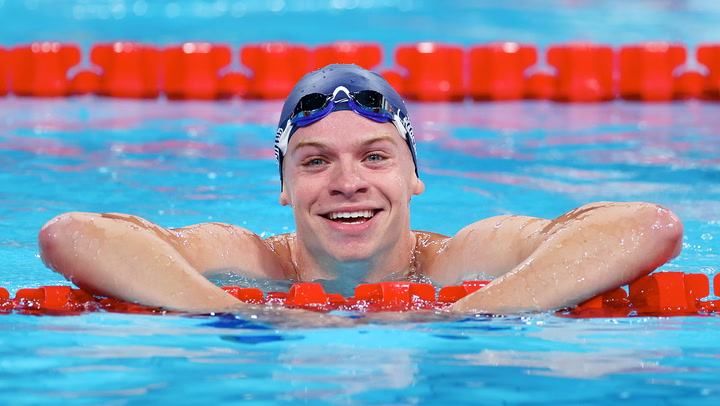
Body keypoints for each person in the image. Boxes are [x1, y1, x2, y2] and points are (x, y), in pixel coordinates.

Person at [37, 64, 684, 314]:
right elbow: (72, 236)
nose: (348, 184)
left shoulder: (457, 259)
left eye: (374, 156)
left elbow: (648, 227)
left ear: (413, 176)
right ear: (285, 190)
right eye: (315, 162)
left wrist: (464, 313)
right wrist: (244, 312)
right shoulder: (254, 262)